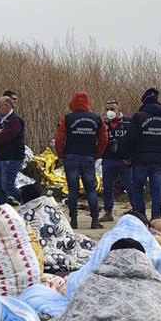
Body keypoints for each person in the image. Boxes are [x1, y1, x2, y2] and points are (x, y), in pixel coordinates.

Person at [123, 88, 161, 221]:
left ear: (144, 101)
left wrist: (126, 156)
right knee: (157, 192)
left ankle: (140, 219)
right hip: (159, 161)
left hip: (140, 160)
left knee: (138, 190)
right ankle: (156, 219)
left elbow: (129, 139)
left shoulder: (138, 117)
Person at [53, 91, 107, 229]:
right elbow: (104, 139)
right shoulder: (97, 119)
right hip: (88, 157)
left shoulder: (68, 118)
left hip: (71, 156)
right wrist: (97, 154)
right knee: (91, 189)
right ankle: (95, 220)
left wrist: (61, 154)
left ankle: (73, 220)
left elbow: (59, 139)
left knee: (72, 189)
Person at [0, 96, 25, 205]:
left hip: (12, 158)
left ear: (6, 106)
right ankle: (2, 210)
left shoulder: (15, 121)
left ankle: (27, 200)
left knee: (7, 186)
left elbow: (3, 139)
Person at [100, 100, 130, 219]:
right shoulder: (102, 124)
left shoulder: (128, 122)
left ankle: (136, 211)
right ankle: (108, 212)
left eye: (112, 109)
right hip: (108, 159)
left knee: (130, 186)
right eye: (107, 109)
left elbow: (133, 140)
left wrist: (131, 156)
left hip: (124, 160)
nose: (109, 112)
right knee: (107, 187)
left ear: (118, 110)